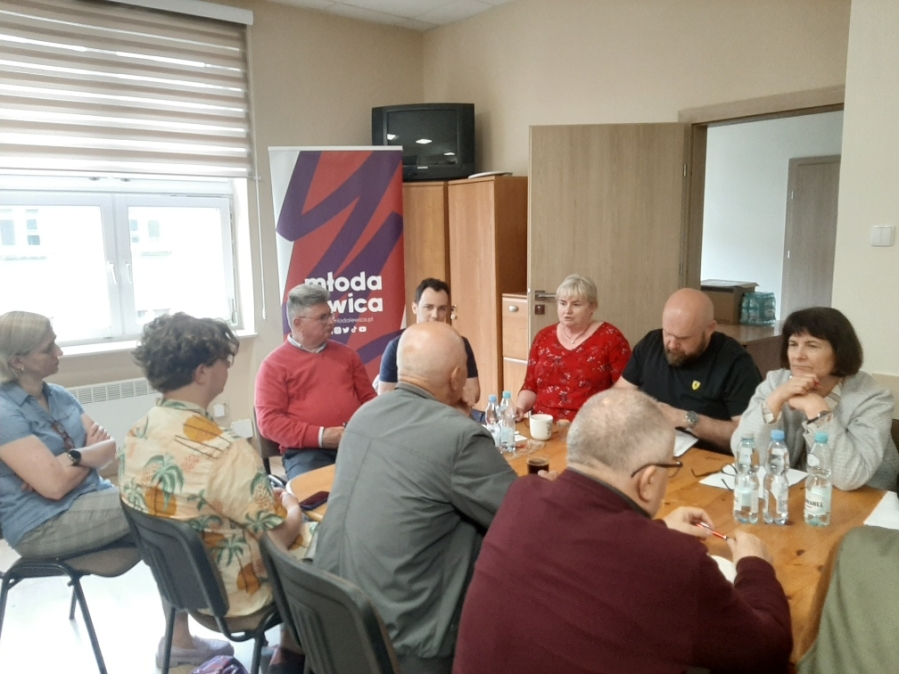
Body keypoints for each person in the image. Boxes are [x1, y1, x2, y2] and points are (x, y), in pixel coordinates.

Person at [454, 389, 793, 674]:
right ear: (648, 481)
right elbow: (767, 652)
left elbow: (589, 550)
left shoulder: (523, 496)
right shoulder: (677, 561)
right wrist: (756, 565)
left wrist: (658, 530)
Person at [0, 311, 230, 670]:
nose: (59, 352)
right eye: (48, 348)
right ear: (18, 361)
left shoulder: (58, 395)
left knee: (163, 520)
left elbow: (109, 450)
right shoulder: (3, 411)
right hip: (41, 525)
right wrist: (80, 459)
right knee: (168, 506)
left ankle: (180, 641)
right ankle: (189, 636)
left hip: (89, 502)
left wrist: (69, 459)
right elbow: (54, 487)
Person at [313, 322, 518, 674]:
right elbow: (523, 519)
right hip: (407, 644)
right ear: (457, 377)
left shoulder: (363, 416)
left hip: (334, 623)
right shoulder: (459, 437)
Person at [120, 313, 308, 673]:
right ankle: (293, 651)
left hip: (182, 585)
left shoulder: (138, 433)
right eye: (225, 359)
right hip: (238, 597)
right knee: (326, 539)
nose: (228, 367)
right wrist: (292, 505)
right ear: (202, 372)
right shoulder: (226, 451)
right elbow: (278, 539)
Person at [733, 307, 898, 491]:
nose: (798, 355)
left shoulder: (873, 398)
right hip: (799, 490)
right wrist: (775, 400)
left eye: (812, 346)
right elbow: (744, 455)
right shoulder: (776, 382)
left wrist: (816, 408)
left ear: (840, 352)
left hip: (865, 497)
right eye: (793, 344)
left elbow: (849, 478)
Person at [615, 287, 762, 453]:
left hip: (707, 459)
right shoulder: (650, 344)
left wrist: (687, 419)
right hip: (649, 449)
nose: (671, 345)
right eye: (667, 333)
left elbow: (748, 437)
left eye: (683, 338)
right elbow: (619, 394)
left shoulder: (736, 363)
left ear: (709, 329)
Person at [255, 283, 376, 479]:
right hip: (306, 452)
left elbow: (370, 401)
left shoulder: (347, 355)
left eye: (331, 314)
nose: (331, 321)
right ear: (298, 323)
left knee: (391, 483)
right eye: (323, 317)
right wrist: (321, 436)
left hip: (356, 442)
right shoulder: (273, 365)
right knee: (318, 494)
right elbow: (269, 422)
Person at [514, 274, 631, 421]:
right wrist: (520, 407)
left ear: (593, 307)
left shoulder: (610, 338)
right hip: (543, 423)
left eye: (576, 304)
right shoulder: (543, 337)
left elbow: (626, 390)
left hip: (589, 424)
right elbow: (530, 386)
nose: (567, 310)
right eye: (563, 303)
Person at [378, 277, 480, 406]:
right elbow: (385, 397)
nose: (435, 315)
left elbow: (474, 392)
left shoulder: (459, 344)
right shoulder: (397, 347)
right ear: (414, 308)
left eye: (442, 308)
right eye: (429, 307)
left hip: (449, 412)